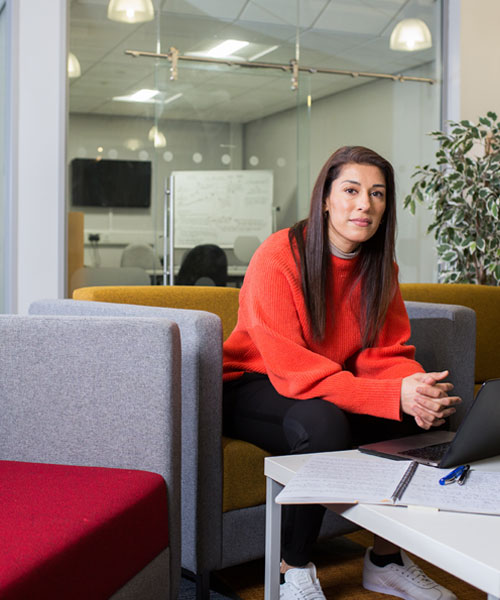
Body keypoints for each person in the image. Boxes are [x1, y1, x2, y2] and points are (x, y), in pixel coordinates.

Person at [222, 146, 461, 600]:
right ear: (326, 199)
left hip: (323, 381)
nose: (364, 204)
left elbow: (386, 351)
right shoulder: (278, 256)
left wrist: (413, 388)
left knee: (421, 417)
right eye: (350, 190)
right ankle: (291, 570)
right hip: (253, 382)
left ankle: (386, 560)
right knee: (323, 424)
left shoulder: (379, 267)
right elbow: (292, 369)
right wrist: (387, 395)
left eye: (376, 194)